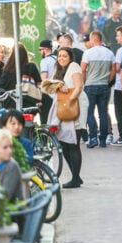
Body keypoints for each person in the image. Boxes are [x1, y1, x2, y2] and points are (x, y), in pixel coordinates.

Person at [46, 46, 90, 188]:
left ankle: (76, 178)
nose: (61, 59)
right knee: (64, 142)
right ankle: (75, 175)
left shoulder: (74, 66)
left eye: (64, 56)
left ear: (70, 57)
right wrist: (59, 86)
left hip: (75, 106)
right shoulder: (58, 70)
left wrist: (70, 99)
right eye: (59, 56)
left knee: (73, 143)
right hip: (63, 107)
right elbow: (48, 87)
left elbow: (79, 86)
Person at [81, 31, 116, 148]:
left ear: (93, 39)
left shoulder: (88, 53)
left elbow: (83, 70)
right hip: (104, 86)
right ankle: (103, 140)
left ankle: (93, 137)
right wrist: (107, 81)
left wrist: (85, 82)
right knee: (103, 113)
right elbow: (113, 70)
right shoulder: (110, 53)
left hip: (90, 85)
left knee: (89, 112)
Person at [0, 43, 42, 108]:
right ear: (25, 54)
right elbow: (39, 84)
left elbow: (1, 87)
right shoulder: (31, 66)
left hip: (11, 102)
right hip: (29, 102)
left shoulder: (8, 68)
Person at [38, 39, 58, 123]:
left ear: (45, 50)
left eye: (40, 50)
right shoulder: (57, 58)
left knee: (45, 120)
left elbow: (44, 79)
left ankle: (45, 136)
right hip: (58, 92)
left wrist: (41, 96)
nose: (39, 52)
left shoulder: (44, 61)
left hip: (48, 94)